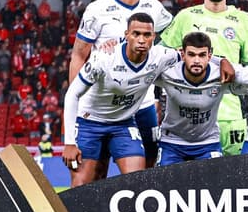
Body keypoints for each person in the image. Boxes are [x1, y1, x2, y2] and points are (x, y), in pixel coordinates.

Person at [69, 0, 174, 168]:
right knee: (97, 172)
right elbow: (79, 55)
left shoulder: (155, 8)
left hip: (143, 104)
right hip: (104, 104)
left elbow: (173, 37)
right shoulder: (97, 10)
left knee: (149, 167)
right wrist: (78, 100)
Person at [62, 13, 180, 186]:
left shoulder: (161, 56)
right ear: (126, 35)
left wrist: (221, 62)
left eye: (147, 35)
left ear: (153, 37)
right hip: (90, 123)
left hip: (123, 124)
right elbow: (72, 94)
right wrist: (69, 142)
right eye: (136, 34)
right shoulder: (103, 59)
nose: (141, 40)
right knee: (81, 186)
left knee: (138, 182)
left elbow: (190, 56)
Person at [161, 0, 248, 156]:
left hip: (230, 113)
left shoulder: (242, 20)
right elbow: (163, 57)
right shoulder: (185, 17)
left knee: (234, 176)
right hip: (188, 113)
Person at [154, 31, 228, 164]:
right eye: (191, 54)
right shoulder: (168, 73)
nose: (197, 60)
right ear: (182, 55)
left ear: (209, 56)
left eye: (202, 55)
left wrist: (223, 60)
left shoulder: (222, 75)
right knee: (164, 184)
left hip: (208, 142)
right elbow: (145, 64)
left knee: (215, 183)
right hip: (172, 142)